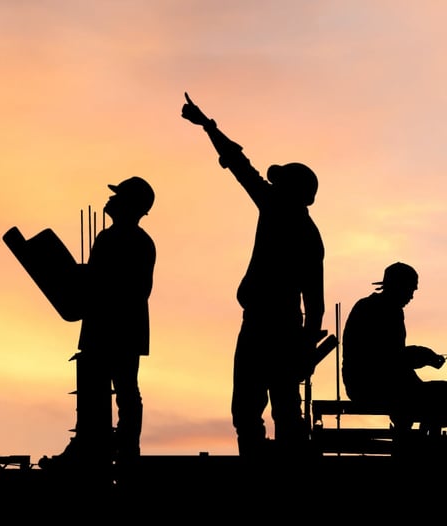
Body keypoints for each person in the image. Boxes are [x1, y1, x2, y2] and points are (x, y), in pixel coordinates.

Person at [181, 92, 326, 458]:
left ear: (292, 192)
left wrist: (208, 127)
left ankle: (261, 471)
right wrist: (305, 347)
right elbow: (317, 304)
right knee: (269, 410)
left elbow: (240, 166)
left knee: (260, 411)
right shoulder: (301, 229)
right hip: (279, 327)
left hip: (269, 327)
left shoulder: (284, 216)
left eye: (280, 184)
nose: (273, 186)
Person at [40, 176, 156, 476]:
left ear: (131, 205)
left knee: (123, 390)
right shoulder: (123, 240)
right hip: (115, 327)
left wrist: (89, 282)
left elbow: (134, 288)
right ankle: (97, 445)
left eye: (118, 196)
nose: (111, 200)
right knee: (110, 390)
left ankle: (118, 448)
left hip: (114, 327)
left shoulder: (126, 241)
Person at [341, 262, 447, 435]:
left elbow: (395, 360)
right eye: (410, 290)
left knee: (437, 393)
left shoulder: (374, 307)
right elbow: (389, 360)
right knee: (440, 395)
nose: (411, 296)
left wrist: (420, 357)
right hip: (370, 385)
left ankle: (415, 437)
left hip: (369, 383)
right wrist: (423, 356)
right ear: (399, 287)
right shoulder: (382, 311)